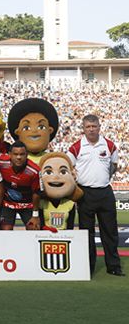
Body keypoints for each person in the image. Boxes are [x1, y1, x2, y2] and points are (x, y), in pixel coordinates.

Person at [68, 114, 125, 276]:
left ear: (100, 127)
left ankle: (113, 266)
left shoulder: (110, 145)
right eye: (88, 127)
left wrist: (104, 178)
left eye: (94, 126)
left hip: (105, 191)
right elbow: (68, 167)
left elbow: (113, 166)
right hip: (85, 193)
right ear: (83, 128)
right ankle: (88, 267)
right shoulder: (75, 147)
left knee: (110, 231)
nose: (91, 129)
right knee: (87, 232)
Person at [0, 141, 41, 230]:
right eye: (15, 154)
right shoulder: (1, 162)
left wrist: (35, 215)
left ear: (27, 155)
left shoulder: (34, 171)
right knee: (5, 231)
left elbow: (36, 193)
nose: (19, 157)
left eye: (22, 154)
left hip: (27, 205)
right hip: (8, 204)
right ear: (9, 154)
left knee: (34, 228)